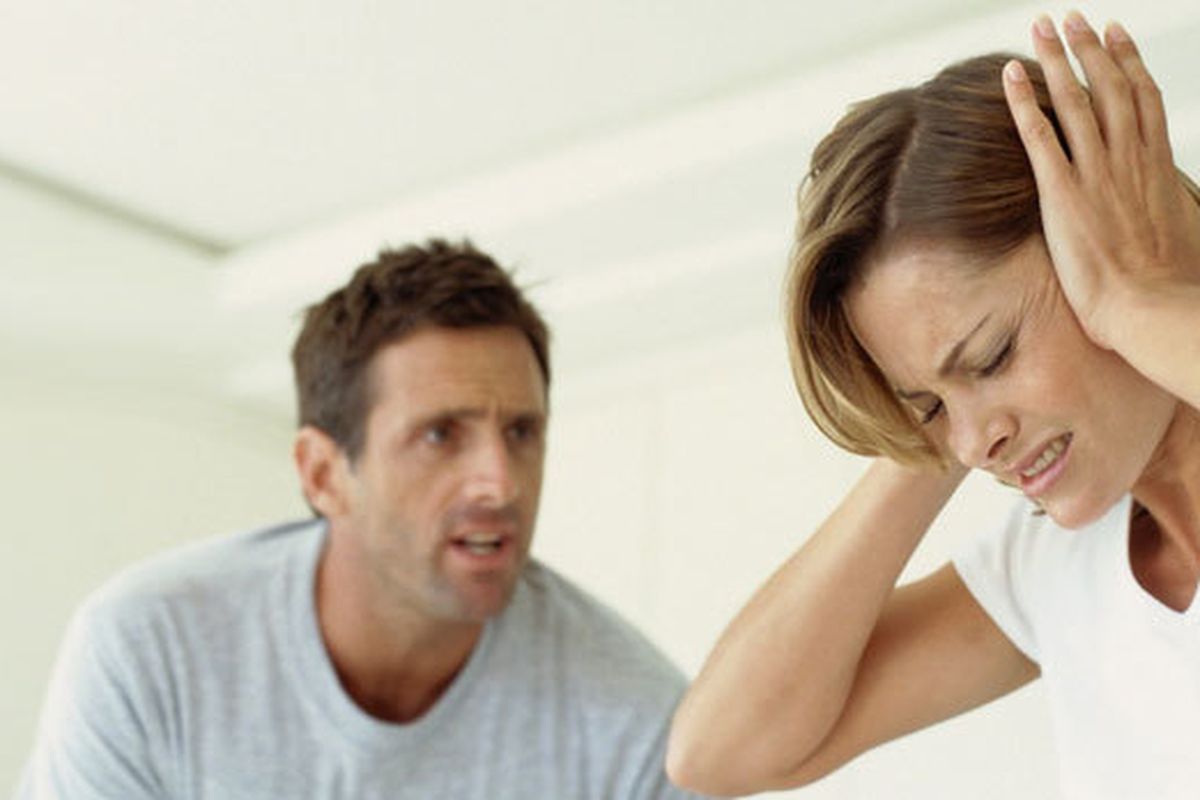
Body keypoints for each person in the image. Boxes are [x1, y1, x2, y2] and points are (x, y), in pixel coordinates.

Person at [668, 11, 1200, 800]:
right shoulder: (1054, 564)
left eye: (992, 356)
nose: (975, 446)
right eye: (929, 407)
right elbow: (720, 753)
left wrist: (1138, 297)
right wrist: (939, 410)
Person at [19, 239, 702, 799]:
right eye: (440, 435)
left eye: (522, 432)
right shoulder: (150, 648)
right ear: (322, 474)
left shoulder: (642, 722)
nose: (500, 483)